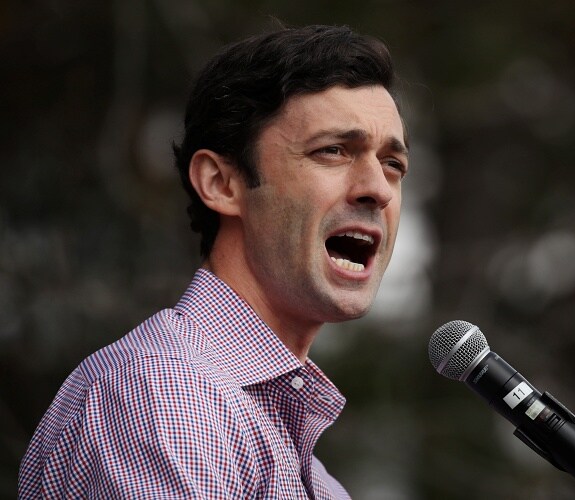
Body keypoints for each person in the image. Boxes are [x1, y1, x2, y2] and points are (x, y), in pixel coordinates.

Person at [18, 24, 409, 499]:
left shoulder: (312, 475)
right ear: (221, 184)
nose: (379, 188)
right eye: (332, 151)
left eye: (393, 164)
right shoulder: (167, 395)